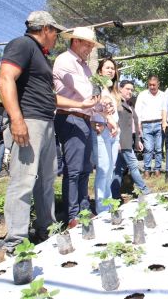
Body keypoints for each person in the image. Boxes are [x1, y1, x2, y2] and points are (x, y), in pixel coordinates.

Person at [0, 11, 97, 254]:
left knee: (45, 180)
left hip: (45, 122)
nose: (56, 38)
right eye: (55, 32)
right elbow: (5, 79)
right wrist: (17, 118)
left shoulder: (41, 57)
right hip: (29, 122)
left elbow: (51, 97)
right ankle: (16, 243)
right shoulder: (22, 45)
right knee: (23, 182)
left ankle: (46, 229)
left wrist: (82, 105)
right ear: (45, 29)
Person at [53, 26, 104, 227]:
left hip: (83, 118)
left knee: (84, 168)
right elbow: (85, 93)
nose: (90, 48)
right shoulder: (65, 61)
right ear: (75, 41)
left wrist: (101, 106)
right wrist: (100, 104)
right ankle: (72, 215)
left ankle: (83, 208)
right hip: (70, 117)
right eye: (87, 44)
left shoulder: (84, 66)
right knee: (73, 170)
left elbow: (92, 97)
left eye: (92, 45)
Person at [111, 80, 152, 197]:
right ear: (120, 89)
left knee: (118, 168)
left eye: (131, 90)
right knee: (133, 164)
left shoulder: (129, 104)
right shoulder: (117, 104)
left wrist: (138, 140)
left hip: (130, 139)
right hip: (122, 140)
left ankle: (114, 194)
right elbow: (115, 122)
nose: (130, 91)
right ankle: (144, 190)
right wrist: (117, 140)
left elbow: (135, 124)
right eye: (127, 89)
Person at [91, 58, 120, 214]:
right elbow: (91, 108)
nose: (110, 70)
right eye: (107, 68)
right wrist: (99, 122)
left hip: (114, 133)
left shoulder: (112, 90)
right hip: (101, 131)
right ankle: (101, 209)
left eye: (112, 68)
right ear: (100, 70)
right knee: (103, 169)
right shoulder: (96, 87)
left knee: (110, 170)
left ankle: (108, 204)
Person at [135, 75, 165, 179]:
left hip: (159, 123)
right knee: (148, 149)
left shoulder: (163, 95)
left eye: (154, 85)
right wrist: (138, 125)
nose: (152, 87)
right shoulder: (142, 95)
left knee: (158, 148)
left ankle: (157, 169)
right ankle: (147, 170)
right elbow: (137, 111)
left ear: (158, 84)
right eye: (150, 85)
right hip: (146, 124)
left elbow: (165, 110)